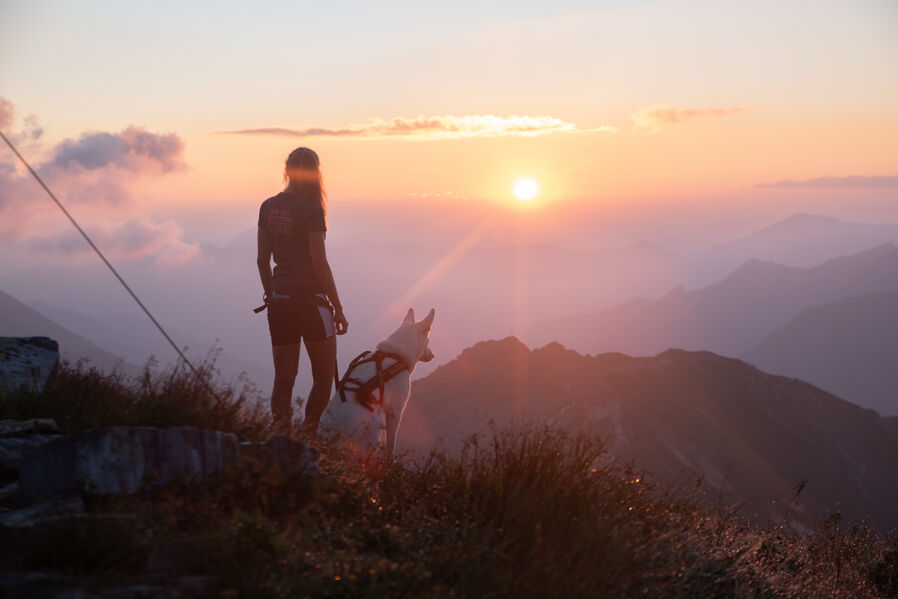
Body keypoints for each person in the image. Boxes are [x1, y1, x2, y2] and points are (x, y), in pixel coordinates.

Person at [257, 147, 348, 436]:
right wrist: (339, 308)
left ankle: (281, 438)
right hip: (311, 302)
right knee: (323, 377)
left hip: (280, 301)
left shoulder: (268, 206)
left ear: (287, 170)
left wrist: (271, 295)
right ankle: (309, 436)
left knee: (283, 380)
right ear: (315, 173)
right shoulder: (312, 210)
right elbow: (319, 264)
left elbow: (262, 260)